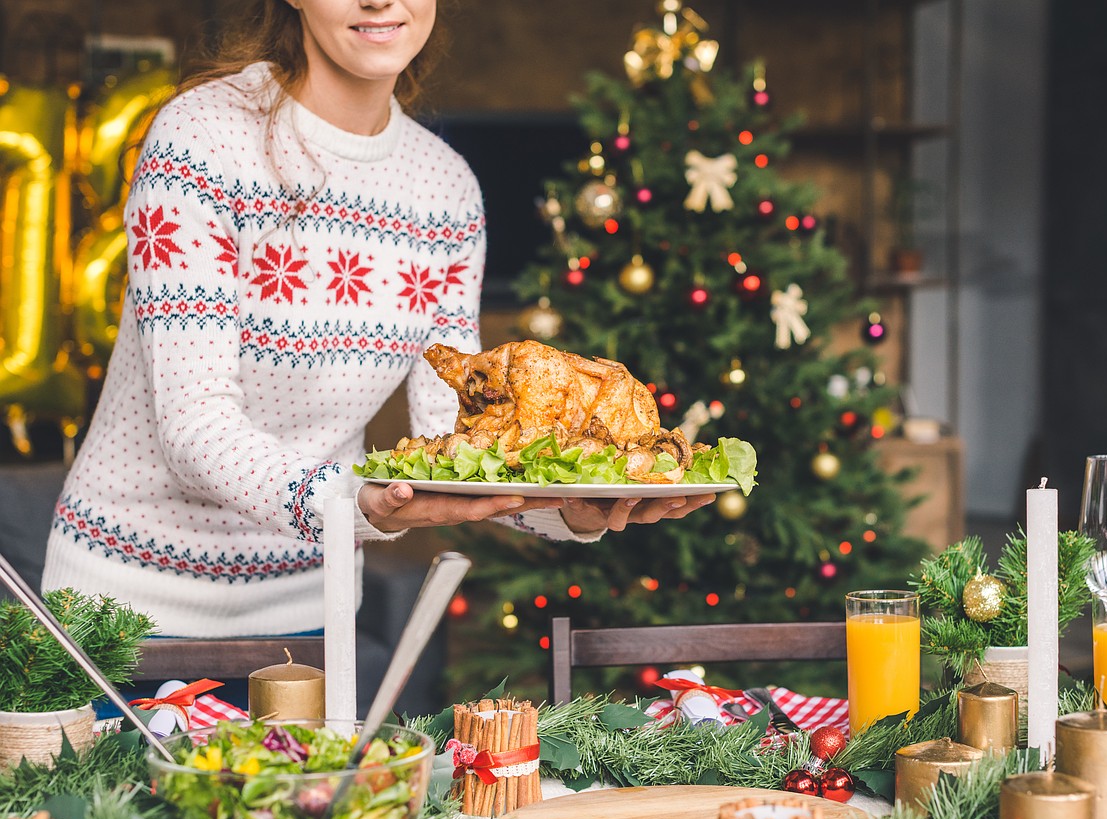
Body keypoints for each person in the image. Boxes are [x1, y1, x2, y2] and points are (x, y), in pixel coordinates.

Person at [42, 0, 714, 639]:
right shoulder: (202, 138)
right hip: (122, 613)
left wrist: (574, 509)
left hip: (310, 619)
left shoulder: (444, 187)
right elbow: (193, 428)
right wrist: (355, 503)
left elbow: (460, 440)